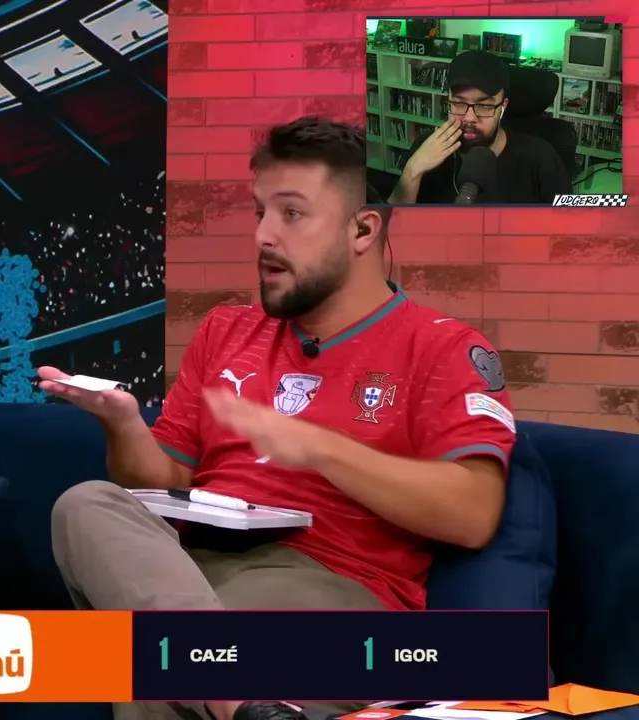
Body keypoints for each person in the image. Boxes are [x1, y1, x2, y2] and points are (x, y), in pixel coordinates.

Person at [40, 117, 516, 720]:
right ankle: (236, 695)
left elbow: (473, 514)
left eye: (291, 214)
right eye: (260, 212)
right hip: (189, 570)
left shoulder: (442, 347)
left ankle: (221, 682)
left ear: (362, 229)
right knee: (84, 504)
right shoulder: (225, 330)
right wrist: (124, 425)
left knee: (149, 659)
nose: (264, 235)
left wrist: (318, 446)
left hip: (334, 588)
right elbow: (163, 484)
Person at [389, 50, 572, 204]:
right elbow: (390, 227)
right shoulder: (425, 147)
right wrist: (412, 171)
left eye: (484, 106)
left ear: (502, 107)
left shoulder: (540, 158)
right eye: (459, 104)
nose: (469, 118)